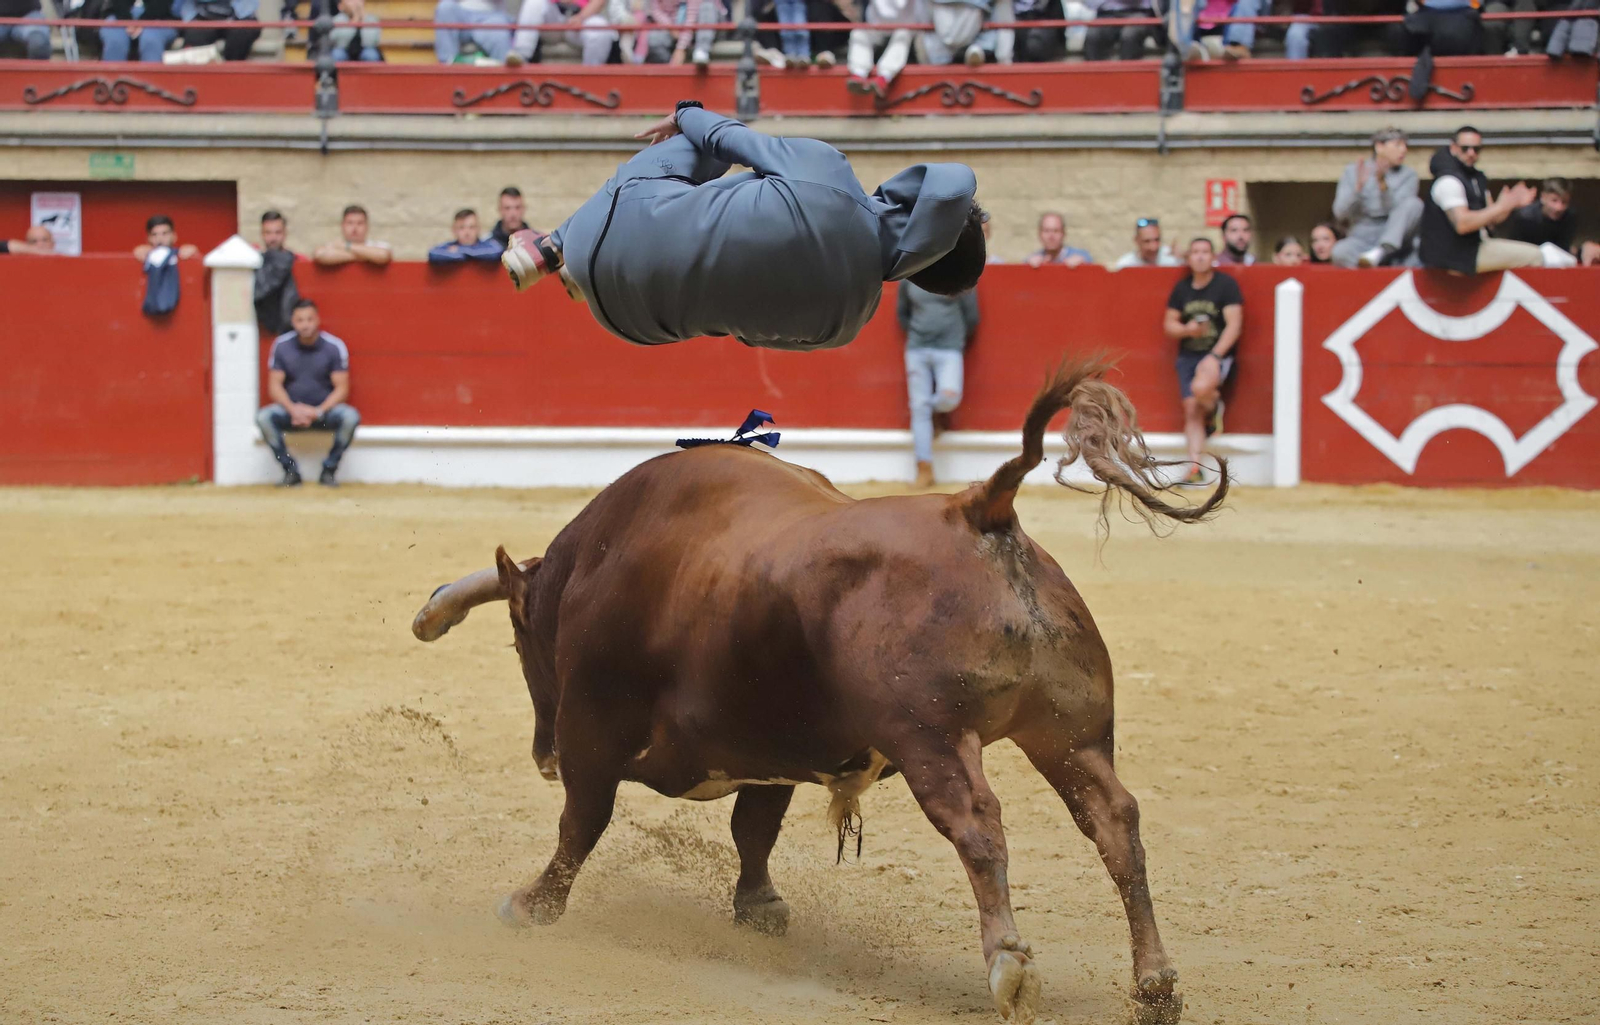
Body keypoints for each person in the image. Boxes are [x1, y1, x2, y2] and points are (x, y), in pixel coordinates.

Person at [500, 102, 985, 352]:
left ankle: (552, 244)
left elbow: (723, 137)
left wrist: (687, 110)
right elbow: (748, 336)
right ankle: (577, 264)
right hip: (632, 324)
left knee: (713, 139)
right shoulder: (847, 327)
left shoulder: (831, 173)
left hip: (607, 230)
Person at [1419, 126, 1576, 273]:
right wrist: (1502, 206)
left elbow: (1490, 220)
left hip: (1470, 249)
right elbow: (1463, 224)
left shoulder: (1474, 178)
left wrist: (1509, 205)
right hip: (1455, 256)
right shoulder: (1449, 181)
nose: (1471, 153)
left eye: (1477, 149)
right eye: (1465, 148)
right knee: (1538, 256)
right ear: (1453, 148)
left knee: (1541, 253)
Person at [257, 299, 361, 487]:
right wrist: (293, 410)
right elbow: (274, 386)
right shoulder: (281, 345)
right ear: (293, 322)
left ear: (317, 320)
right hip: (291, 413)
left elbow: (342, 389)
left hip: (324, 413)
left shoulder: (334, 346)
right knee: (264, 417)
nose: (305, 325)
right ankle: (290, 471)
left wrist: (318, 411)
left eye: (309, 319)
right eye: (300, 320)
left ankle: (329, 470)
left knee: (350, 417)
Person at [1164, 237, 1240, 485]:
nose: (1199, 257)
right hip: (1188, 355)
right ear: (1189, 257)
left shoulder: (1225, 286)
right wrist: (1188, 331)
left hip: (1216, 353)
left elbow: (1234, 325)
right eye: (1195, 252)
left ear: (1212, 256)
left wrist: (1216, 355)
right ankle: (1195, 468)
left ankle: (1213, 405)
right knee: (1191, 409)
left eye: (1204, 252)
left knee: (1200, 389)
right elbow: (1170, 324)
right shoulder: (1182, 289)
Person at [899, 279, 978, 488]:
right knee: (919, 407)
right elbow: (902, 313)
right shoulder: (909, 277)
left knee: (949, 398)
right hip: (917, 348)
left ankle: (930, 413)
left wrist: (955, 337)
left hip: (949, 347)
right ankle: (924, 469)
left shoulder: (961, 273)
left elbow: (971, 316)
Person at [1331, 126, 1423, 268]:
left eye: (1405, 145)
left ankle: (1380, 253)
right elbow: (1340, 213)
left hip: (1395, 239)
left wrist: (1383, 185)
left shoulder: (1408, 175)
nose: (1404, 150)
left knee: (1414, 204)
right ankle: (1374, 265)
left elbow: (1402, 213)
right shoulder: (1353, 171)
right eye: (1398, 145)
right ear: (1379, 147)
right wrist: (1357, 191)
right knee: (1339, 252)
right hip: (1363, 237)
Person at [847, 0, 919, 96]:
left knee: (902, 35)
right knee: (858, 32)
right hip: (877, 28)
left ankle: (883, 78)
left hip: (905, 28)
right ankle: (858, 75)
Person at [920, 0, 1014, 68]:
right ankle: (977, 48)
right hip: (982, 43)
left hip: (939, 52)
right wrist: (1004, 61)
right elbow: (1004, 21)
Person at [254, 210, 302, 336]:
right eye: (268, 233)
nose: (273, 238)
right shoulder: (254, 260)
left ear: (285, 234)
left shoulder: (299, 261)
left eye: (277, 232)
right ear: (262, 234)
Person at [1499, 177, 1577, 254]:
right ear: (1543, 197)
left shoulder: (1569, 216)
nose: (1559, 207)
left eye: (1564, 202)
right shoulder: (1525, 217)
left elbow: (1564, 248)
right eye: (1554, 200)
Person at [434, 0, 514, 63]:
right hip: (461, 14)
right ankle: (448, 66)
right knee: (445, 7)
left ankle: (503, 78)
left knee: (499, 34)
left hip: (491, 16)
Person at [179, 0, 262, 61]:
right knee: (195, 36)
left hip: (240, 16)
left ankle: (232, 76)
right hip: (201, 16)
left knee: (242, 34)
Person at [313, 205, 394, 267]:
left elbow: (383, 255)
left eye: (360, 223)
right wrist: (367, 256)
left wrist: (347, 246)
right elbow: (320, 255)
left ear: (367, 226)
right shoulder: (334, 245)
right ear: (343, 226)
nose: (354, 228)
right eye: (350, 223)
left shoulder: (377, 245)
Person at [1083, 0, 1165, 60]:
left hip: (1139, 12)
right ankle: (1095, 80)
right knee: (1093, 35)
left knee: (1130, 35)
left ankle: (1130, 79)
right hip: (1106, 13)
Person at [101, 0, 181, 61]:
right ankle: (112, 80)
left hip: (161, 16)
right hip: (119, 14)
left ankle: (151, 80)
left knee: (150, 39)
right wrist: (127, 21)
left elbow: (163, 5)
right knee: (115, 39)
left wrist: (143, 21)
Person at [429, 208, 506, 263]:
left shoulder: (487, 245)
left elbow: (497, 251)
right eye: (461, 228)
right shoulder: (449, 246)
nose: (467, 232)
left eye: (471, 227)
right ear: (454, 230)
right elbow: (433, 253)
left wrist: (462, 251)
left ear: (478, 229)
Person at [1025, 211, 1093, 267]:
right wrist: (1028, 269)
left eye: (1056, 231)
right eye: (1046, 231)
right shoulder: (1032, 261)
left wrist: (1083, 266)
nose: (1051, 236)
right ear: (1039, 234)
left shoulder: (1081, 257)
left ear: (1064, 234)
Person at [1112, 217, 1182, 269]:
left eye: (1157, 240)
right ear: (1136, 241)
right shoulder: (1126, 265)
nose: (1153, 247)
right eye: (1147, 241)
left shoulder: (1172, 259)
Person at [134, 215, 200, 261]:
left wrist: (194, 255)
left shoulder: (184, 253)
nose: (159, 239)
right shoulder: (143, 254)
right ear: (148, 239)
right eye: (154, 235)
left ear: (174, 236)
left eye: (165, 233)